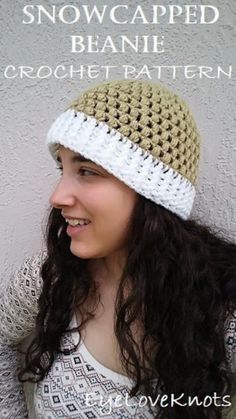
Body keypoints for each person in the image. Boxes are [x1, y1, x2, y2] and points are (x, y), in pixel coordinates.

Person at [0, 80, 236, 419]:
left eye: (86, 170)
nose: (57, 196)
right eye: (62, 168)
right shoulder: (51, 277)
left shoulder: (218, 310)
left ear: (152, 192)